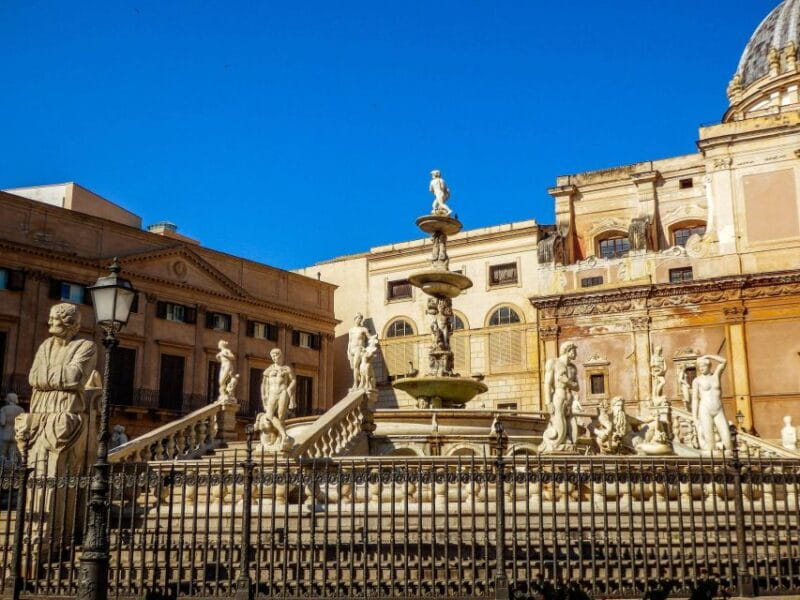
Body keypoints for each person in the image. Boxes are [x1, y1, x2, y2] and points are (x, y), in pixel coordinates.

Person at [16, 303, 97, 475]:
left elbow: (75, 377)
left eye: (54, 318)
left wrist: (45, 376)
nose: (49, 322)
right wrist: (61, 375)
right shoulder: (46, 346)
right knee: (35, 471)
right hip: (40, 412)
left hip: (65, 413)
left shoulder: (86, 346)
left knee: (59, 472)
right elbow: (33, 377)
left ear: (69, 322)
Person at [539, 341, 579, 453]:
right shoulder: (554, 363)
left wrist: (567, 382)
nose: (576, 353)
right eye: (574, 350)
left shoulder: (573, 367)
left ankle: (568, 442)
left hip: (569, 397)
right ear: (568, 350)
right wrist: (548, 403)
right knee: (559, 421)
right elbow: (547, 383)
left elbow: (577, 387)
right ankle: (555, 444)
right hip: (559, 394)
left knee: (571, 423)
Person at [256, 348, 296, 450]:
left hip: (283, 392)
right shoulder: (268, 370)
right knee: (269, 415)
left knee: (281, 415)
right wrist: (264, 398)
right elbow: (264, 386)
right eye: (272, 356)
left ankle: (280, 438)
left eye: (276, 355)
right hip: (272, 394)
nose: (274, 357)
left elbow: (293, 380)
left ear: (281, 355)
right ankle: (284, 435)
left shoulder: (287, 369)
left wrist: (289, 390)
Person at [691, 354, 732, 453]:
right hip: (705, 410)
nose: (701, 368)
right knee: (710, 447)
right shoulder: (697, 380)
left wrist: (708, 356)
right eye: (699, 367)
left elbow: (724, 361)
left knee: (728, 443)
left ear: (709, 366)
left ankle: (725, 461)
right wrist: (694, 417)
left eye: (703, 366)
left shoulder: (716, 375)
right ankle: (713, 464)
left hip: (718, 409)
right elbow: (695, 399)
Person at [347, 314, 370, 390]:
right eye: (358, 318)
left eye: (360, 318)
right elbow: (350, 341)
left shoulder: (363, 329)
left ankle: (355, 384)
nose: (359, 320)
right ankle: (360, 382)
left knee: (356, 365)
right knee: (354, 367)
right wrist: (348, 351)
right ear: (355, 319)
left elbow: (369, 338)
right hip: (352, 350)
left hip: (359, 348)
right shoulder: (351, 330)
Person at [0, 393, 24, 464]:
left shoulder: (4, 409)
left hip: (5, 434)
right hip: (15, 434)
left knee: (2, 454)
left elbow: (2, 422)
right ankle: (13, 469)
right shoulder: (21, 410)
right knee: (13, 454)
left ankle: (2, 470)